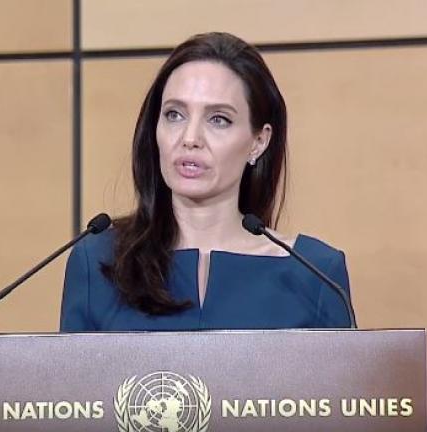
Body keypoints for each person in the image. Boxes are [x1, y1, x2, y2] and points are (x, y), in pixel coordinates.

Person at [60, 32, 353, 331]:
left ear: (259, 142)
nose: (190, 138)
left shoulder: (315, 274)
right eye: (174, 114)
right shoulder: (96, 261)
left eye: (218, 119)